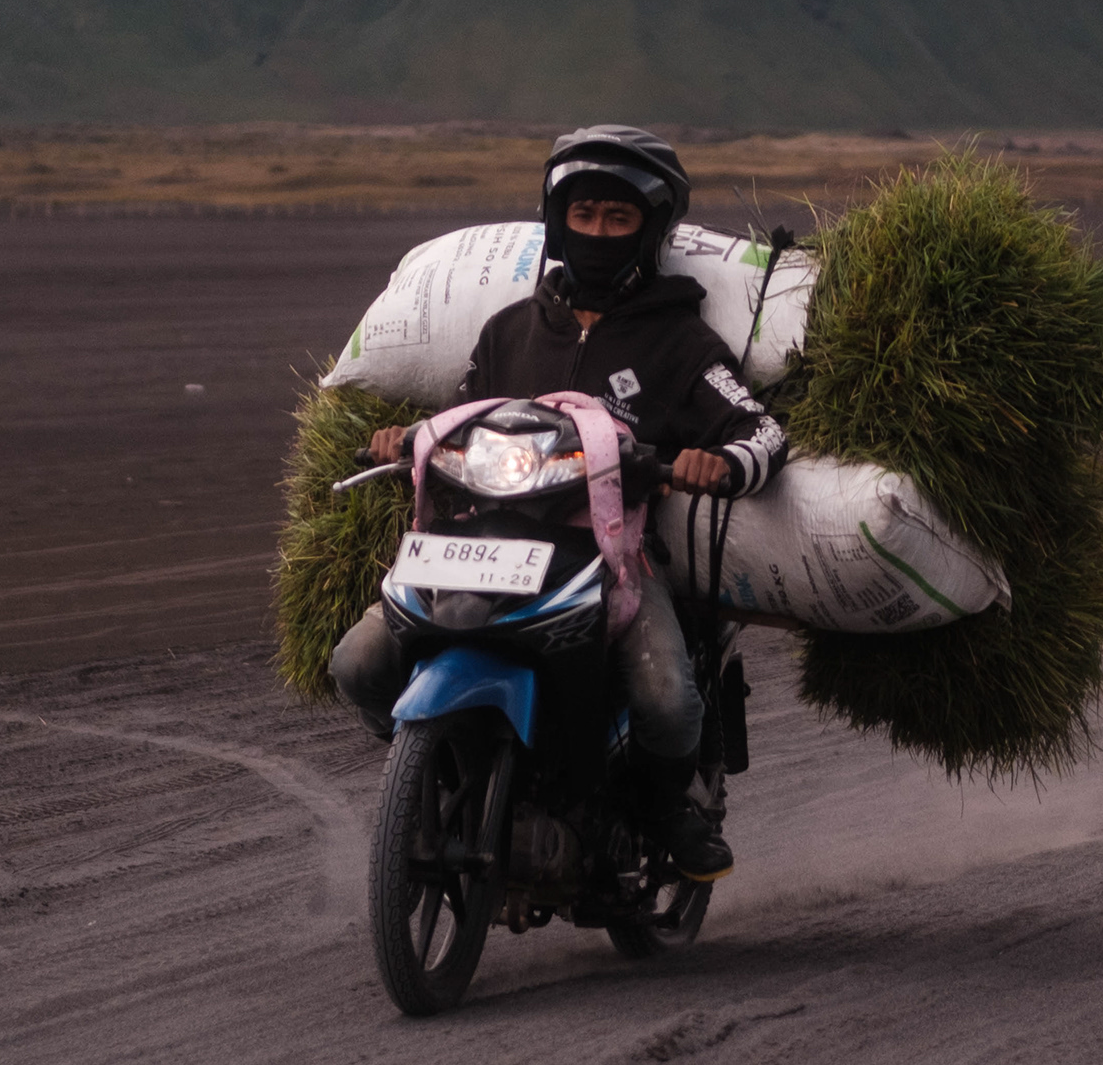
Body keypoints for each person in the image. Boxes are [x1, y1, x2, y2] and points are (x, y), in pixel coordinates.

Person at [328, 126, 782, 880]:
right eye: (584, 214)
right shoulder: (510, 330)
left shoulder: (681, 343)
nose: (598, 232)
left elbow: (761, 430)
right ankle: (439, 769)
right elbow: (460, 416)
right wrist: (405, 439)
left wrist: (721, 461)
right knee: (357, 663)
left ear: (650, 231)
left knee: (667, 699)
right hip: (486, 544)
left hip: (614, 556)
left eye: (618, 217)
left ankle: (668, 807)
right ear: (558, 221)